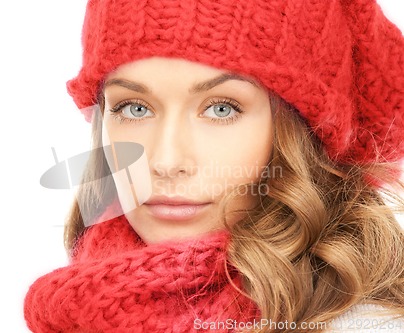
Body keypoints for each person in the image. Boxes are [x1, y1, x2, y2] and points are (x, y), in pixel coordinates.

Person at [24, 0, 404, 332]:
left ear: (303, 133)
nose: (166, 161)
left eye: (222, 108)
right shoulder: (78, 308)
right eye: (134, 108)